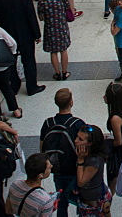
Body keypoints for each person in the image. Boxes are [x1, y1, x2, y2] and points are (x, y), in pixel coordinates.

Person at [0, 0, 44, 97]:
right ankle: (31, 86)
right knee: (29, 61)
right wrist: (37, 34)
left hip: (8, 36)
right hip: (26, 36)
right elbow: (31, 18)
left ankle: (14, 85)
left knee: (11, 62)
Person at [39, 88, 85, 217]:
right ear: (71, 102)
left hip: (57, 168)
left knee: (61, 199)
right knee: (80, 198)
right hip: (75, 168)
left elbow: (42, 147)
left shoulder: (48, 123)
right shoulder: (77, 123)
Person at [74, 124, 112, 215]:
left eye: (80, 139)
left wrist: (80, 160)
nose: (76, 141)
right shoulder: (84, 153)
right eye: (77, 137)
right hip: (87, 197)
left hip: (95, 201)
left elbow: (81, 182)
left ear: (90, 143)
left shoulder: (94, 161)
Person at [5, 152, 55, 216]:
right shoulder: (46, 200)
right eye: (48, 167)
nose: (51, 166)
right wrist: (49, 207)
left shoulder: (15, 185)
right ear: (40, 175)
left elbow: (8, 210)